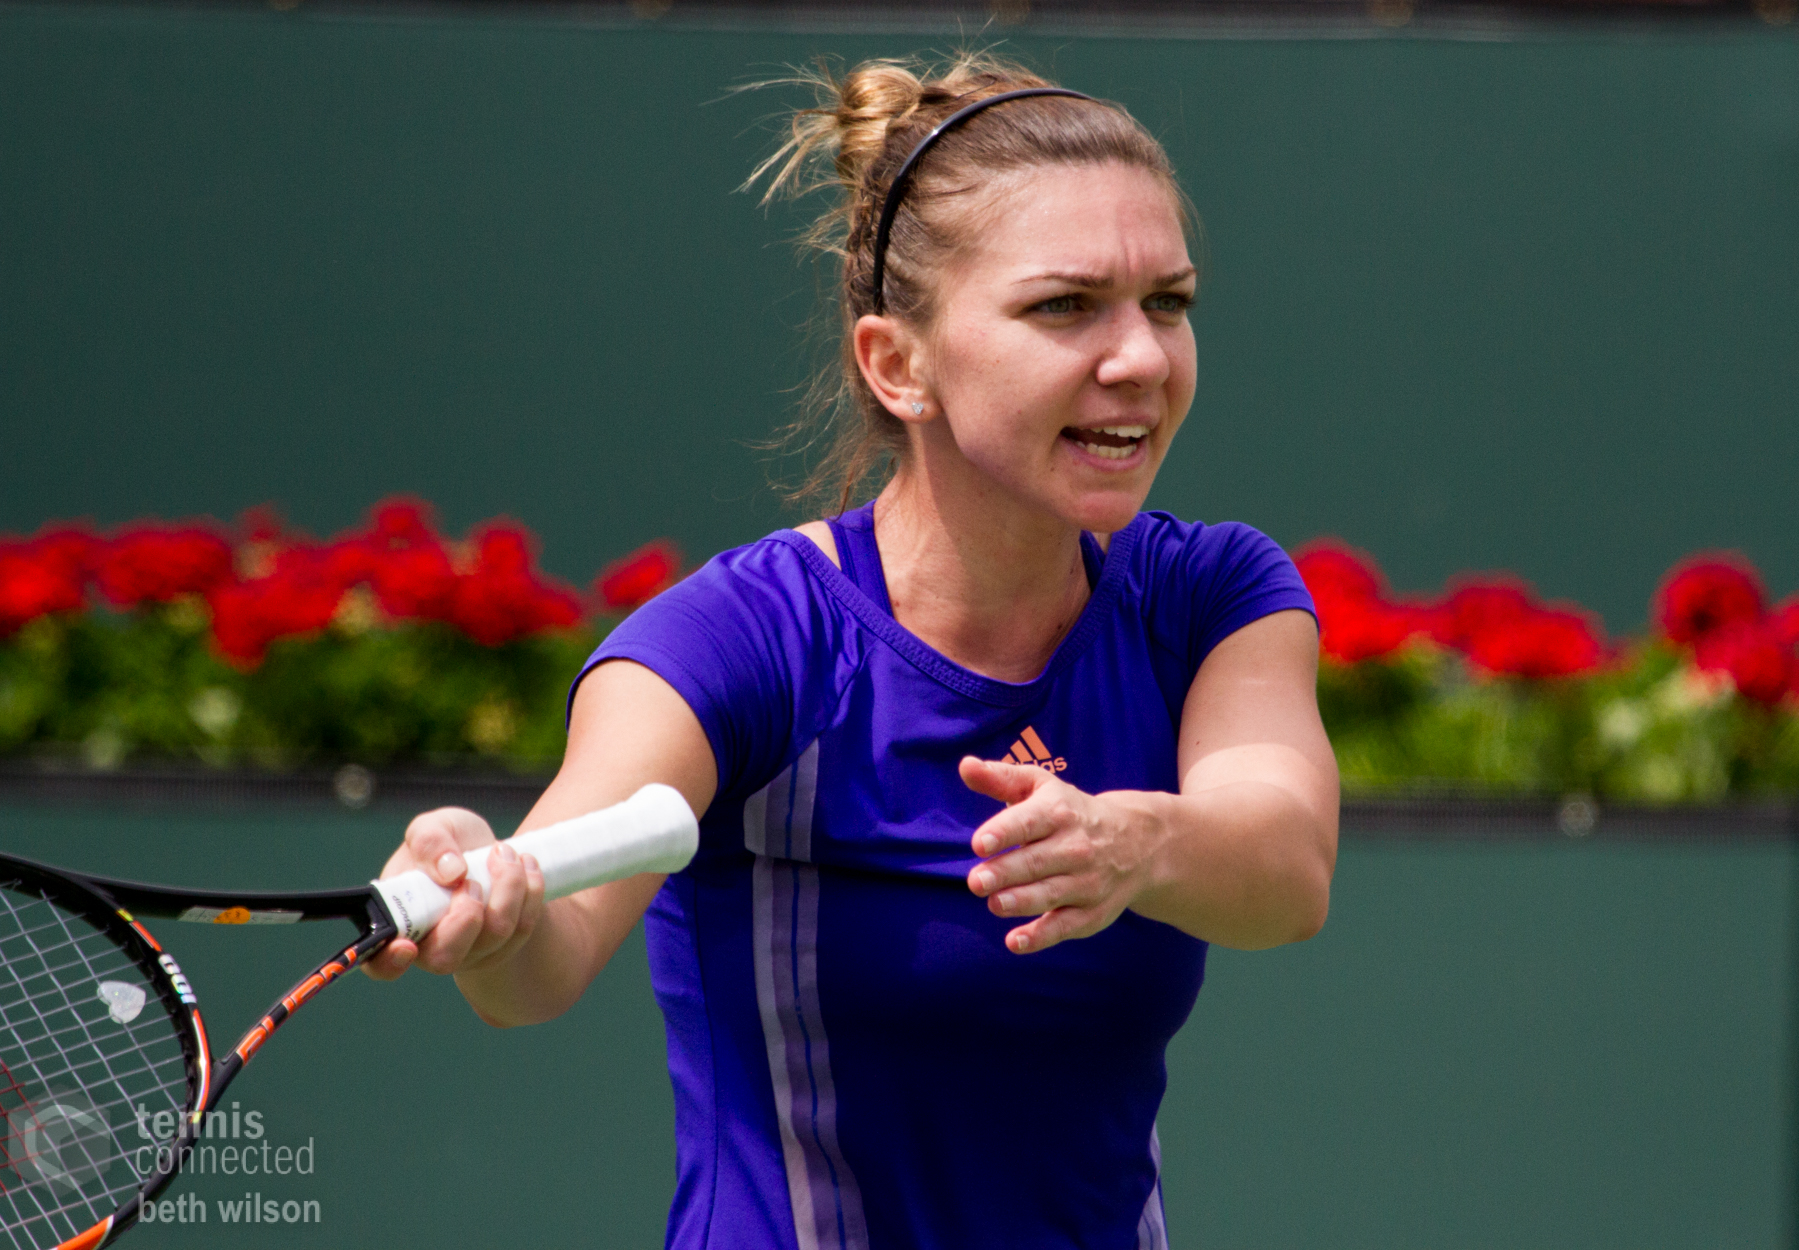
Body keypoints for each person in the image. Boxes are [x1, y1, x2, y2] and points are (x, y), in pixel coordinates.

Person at [366, 52, 1339, 1250]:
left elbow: (1285, 864)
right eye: (1064, 306)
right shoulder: (738, 639)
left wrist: (1134, 841)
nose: (1139, 356)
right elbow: (543, 966)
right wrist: (501, 907)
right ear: (898, 363)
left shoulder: (1211, 592)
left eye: (1168, 303)